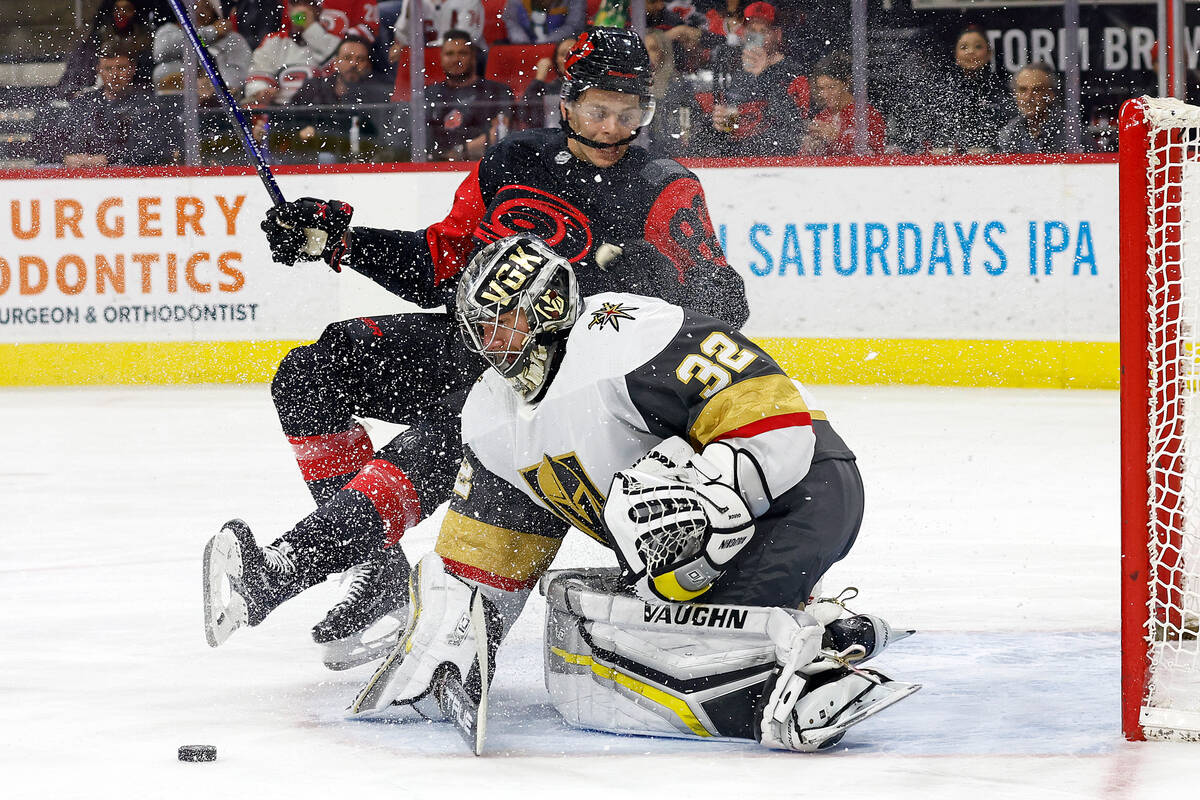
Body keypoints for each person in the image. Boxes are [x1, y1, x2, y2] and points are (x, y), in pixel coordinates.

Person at [201, 27, 747, 673]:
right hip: (475, 348)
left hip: (558, 388)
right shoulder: (512, 162)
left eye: (631, 114)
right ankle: (374, 570)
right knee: (309, 373)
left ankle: (287, 567)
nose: (613, 129)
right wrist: (339, 240)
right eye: (599, 109)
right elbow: (442, 264)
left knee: (449, 436)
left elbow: (727, 305)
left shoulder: (664, 186)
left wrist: (651, 273)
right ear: (567, 102)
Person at [339, 234, 919, 751]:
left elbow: (773, 421)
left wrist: (707, 514)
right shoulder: (490, 418)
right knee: (600, 643)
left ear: (546, 305)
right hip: (701, 541)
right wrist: (457, 633)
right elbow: (493, 551)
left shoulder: (632, 333)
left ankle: (805, 682)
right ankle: (825, 631)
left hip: (803, 491)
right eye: (479, 325)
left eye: (501, 320)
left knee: (673, 619)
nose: (488, 340)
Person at [696, 1, 809, 158]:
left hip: (777, 164)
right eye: (752, 30)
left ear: (777, 35)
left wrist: (763, 75)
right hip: (737, 163)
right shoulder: (737, 73)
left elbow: (795, 128)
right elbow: (730, 129)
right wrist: (719, 124)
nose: (756, 37)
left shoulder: (794, 73)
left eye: (763, 31)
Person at [60, 39, 164, 168]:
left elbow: (150, 149)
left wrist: (107, 159)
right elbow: (59, 138)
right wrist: (66, 157)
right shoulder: (83, 102)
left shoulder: (147, 105)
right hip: (81, 177)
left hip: (127, 177)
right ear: (99, 70)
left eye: (121, 68)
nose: (115, 75)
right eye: (108, 68)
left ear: (132, 69)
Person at [424, 30, 514, 160]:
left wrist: (458, 152)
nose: (456, 59)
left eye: (462, 53)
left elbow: (500, 134)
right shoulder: (429, 94)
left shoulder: (497, 91)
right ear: (441, 58)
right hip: (435, 168)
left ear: (473, 57)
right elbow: (418, 139)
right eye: (449, 54)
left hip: (483, 165)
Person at [928, 24, 1014, 155]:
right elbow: (933, 131)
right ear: (956, 55)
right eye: (964, 47)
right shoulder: (942, 92)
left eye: (978, 46)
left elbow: (1011, 131)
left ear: (989, 53)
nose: (971, 51)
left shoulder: (1001, 89)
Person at [243, 2, 343, 105]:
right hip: (282, 111)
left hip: (322, 111)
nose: (300, 9)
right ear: (288, 10)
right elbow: (257, 75)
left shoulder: (332, 41)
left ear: (317, 10)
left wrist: (310, 28)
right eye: (295, 4)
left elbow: (339, 69)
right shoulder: (274, 41)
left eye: (307, 4)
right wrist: (262, 90)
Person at [152, 0, 252, 98]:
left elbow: (239, 74)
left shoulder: (232, 39)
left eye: (205, 6)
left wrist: (212, 84)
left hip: (219, 106)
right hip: (175, 103)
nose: (198, 9)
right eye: (194, 4)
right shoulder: (169, 30)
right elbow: (160, 53)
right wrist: (212, 33)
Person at [800, 51, 884, 157]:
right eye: (821, 88)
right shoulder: (821, 117)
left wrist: (837, 138)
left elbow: (875, 156)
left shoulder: (867, 115)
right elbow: (805, 160)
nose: (825, 95)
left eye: (831, 87)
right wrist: (810, 147)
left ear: (846, 83)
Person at [996, 63, 1074, 155]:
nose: (1028, 97)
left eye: (1037, 90)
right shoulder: (1008, 132)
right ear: (1015, 94)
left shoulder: (1072, 132)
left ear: (1050, 95)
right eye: (1023, 90)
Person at [290, 34, 393, 104]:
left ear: (368, 65)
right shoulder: (313, 89)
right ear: (335, 62)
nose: (353, 64)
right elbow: (289, 121)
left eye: (360, 59)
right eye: (347, 58)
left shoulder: (378, 96)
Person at [513, 35, 574, 130]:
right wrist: (539, 78)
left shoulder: (593, 87)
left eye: (573, 53)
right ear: (556, 61)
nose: (568, 58)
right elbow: (523, 113)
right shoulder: (549, 88)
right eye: (563, 54)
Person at [502, 0, 585, 45]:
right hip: (522, 46)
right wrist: (523, 42)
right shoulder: (516, 2)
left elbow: (574, 26)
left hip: (557, 48)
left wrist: (546, 42)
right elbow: (511, 21)